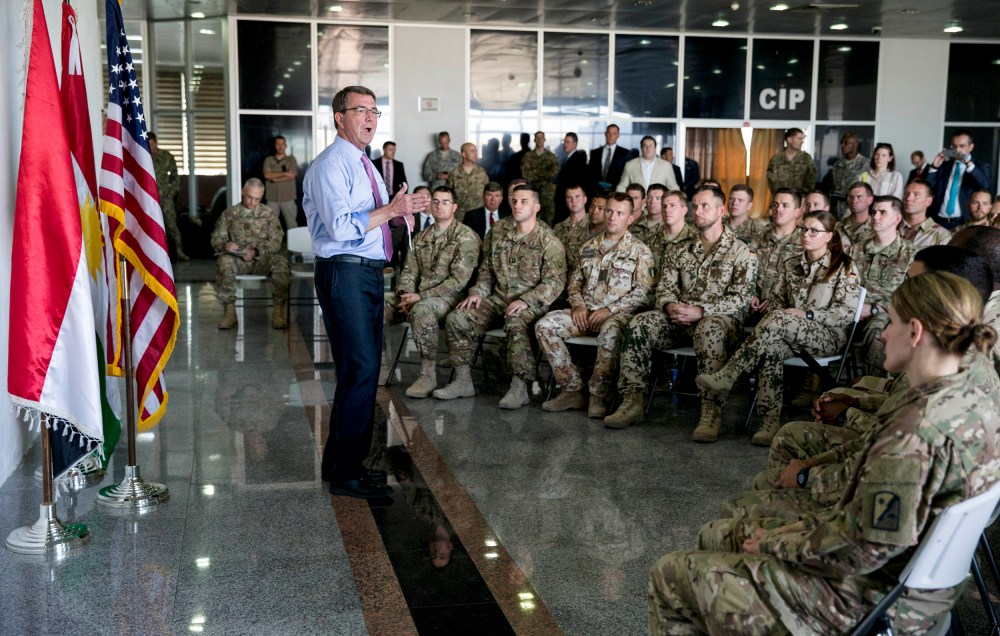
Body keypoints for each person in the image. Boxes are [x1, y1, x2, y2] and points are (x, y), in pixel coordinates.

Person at [650, 271, 1000, 636]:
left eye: (891, 323)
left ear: (915, 332)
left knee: (670, 575)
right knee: (719, 536)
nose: (881, 333)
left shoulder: (915, 434)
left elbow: (862, 550)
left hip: (873, 599)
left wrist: (776, 542)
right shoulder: (970, 381)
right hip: (912, 581)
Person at [303, 85, 430, 499]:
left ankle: (341, 464)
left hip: (369, 273)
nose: (370, 118)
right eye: (361, 110)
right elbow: (341, 227)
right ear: (339, 117)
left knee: (363, 371)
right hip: (345, 272)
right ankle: (346, 475)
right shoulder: (330, 166)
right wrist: (391, 211)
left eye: (375, 110)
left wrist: (403, 211)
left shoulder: (366, 164)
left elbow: (378, 219)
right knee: (359, 371)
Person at [604, 185, 757, 441]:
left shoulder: (742, 251)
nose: (697, 211)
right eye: (695, 206)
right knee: (641, 322)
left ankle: (711, 412)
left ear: (721, 210)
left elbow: (741, 299)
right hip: (679, 320)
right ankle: (632, 401)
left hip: (719, 324)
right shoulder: (680, 248)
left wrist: (701, 310)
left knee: (710, 329)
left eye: (704, 206)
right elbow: (664, 288)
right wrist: (668, 306)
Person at [696, 211, 861, 446]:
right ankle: (769, 421)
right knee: (771, 348)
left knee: (779, 320)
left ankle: (729, 374)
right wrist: (780, 312)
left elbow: (846, 312)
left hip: (826, 336)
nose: (806, 235)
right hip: (786, 332)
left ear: (829, 236)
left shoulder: (844, 266)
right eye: (804, 229)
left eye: (814, 231)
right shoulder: (791, 263)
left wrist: (808, 314)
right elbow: (775, 302)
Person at [433, 184, 567, 409]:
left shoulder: (548, 240)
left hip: (530, 303)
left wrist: (526, 300)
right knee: (458, 318)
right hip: (497, 299)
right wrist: (478, 293)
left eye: (524, 201)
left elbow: (555, 282)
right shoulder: (498, 231)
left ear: (536, 207)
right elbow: (486, 271)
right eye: (514, 200)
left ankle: (519, 386)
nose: (517, 205)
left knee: (517, 322)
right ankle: (463, 381)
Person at [536, 193, 654, 417]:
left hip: (616, 316)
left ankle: (598, 396)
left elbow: (645, 292)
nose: (612, 217)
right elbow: (575, 283)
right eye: (609, 211)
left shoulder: (640, 251)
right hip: (584, 313)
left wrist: (610, 310)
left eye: (620, 213)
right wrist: (579, 305)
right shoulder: (588, 247)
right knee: (545, 326)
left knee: (610, 334)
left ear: (630, 219)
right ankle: (572, 390)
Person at [383, 186, 480, 398]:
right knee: (377, 304)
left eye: (445, 202)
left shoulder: (465, 237)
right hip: (417, 296)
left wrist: (420, 297)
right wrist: (406, 294)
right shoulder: (421, 237)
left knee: (422, 309)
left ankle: (427, 375)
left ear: (454, 207)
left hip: (450, 298)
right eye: (435, 201)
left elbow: (458, 281)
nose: (439, 206)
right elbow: (409, 270)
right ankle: (379, 367)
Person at [849, 195, 917, 376]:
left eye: (882, 212)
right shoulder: (855, 248)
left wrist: (873, 309)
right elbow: (841, 282)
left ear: (897, 218)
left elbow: (911, 293)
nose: (875, 216)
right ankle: (812, 383)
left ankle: (871, 389)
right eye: (874, 212)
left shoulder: (910, 253)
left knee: (877, 331)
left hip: (885, 313)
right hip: (849, 308)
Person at [211, 178, 291, 330]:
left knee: (281, 263)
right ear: (243, 191)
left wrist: (256, 252)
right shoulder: (230, 214)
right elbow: (216, 239)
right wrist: (225, 245)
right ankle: (229, 312)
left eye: (257, 199)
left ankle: (278, 312)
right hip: (238, 260)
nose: (252, 202)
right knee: (224, 262)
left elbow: (277, 240)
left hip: (261, 259)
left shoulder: (267, 213)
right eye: (249, 197)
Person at [749, 188, 804, 322]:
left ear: (796, 212)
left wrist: (775, 300)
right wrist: (751, 294)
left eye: (785, 206)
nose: (779, 209)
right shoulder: (757, 238)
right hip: (750, 307)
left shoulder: (804, 241)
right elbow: (745, 270)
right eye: (775, 205)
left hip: (784, 312)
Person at [928, 129, 993, 229]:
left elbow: (984, 185)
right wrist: (934, 167)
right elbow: (928, 188)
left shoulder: (980, 166)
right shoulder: (944, 165)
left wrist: (969, 165)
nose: (957, 150)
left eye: (962, 146)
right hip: (938, 221)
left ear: (971, 147)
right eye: (954, 146)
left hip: (963, 221)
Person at [149, 131, 188, 261]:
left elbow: (175, 177)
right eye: (148, 145)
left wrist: (171, 193)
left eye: (152, 145)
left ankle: (178, 250)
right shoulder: (144, 157)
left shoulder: (166, 157)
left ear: (156, 143)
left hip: (165, 198)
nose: (151, 148)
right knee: (151, 225)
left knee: (171, 225)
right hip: (149, 199)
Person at [520, 131, 559, 226]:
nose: (539, 140)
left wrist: (536, 173)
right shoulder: (528, 156)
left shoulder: (551, 156)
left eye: (541, 137)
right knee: (530, 217)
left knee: (548, 219)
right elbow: (525, 174)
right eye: (537, 138)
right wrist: (544, 174)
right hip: (532, 192)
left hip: (547, 193)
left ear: (545, 139)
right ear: (534, 140)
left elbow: (554, 173)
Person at [900, 179, 952, 247]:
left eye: (916, 195)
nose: (908, 198)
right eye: (906, 194)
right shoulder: (890, 226)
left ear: (928, 201)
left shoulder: (941, 235)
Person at [262, 135, 300, 229]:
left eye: (282, 144)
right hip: (272, 198)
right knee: (271, 226)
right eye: (278, 144)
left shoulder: (291, 159)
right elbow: (267, 175)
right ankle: (276, 244)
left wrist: (274, 178)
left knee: (292, 225)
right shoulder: (269, 160)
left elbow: (292, 175)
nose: (280, 146)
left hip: (288, 197)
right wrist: (286, 173)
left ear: (286, 146)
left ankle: (293, 244)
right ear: (274, 146)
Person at [445, 142, 489, 221]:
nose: (475, 154)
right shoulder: (454, 173)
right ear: (464, 154)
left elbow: (488, 193)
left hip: (478, 216)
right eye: (472, 151)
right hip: (460, 216)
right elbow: (447, 195)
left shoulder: (481, 172)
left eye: (476, 151)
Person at [552, 185, 592, 272]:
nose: (574, 201)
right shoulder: (558, 228)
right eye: (569, 198)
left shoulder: (593, 225)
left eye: (577, 197)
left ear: (585, 199)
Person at [766, 127, 817, 195]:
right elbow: (771, 178)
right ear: (789, 140)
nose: (802, 141)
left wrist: (805, 195)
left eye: (802, 139)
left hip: (801, 198)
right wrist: (779, 194)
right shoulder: (777, 158)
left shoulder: (806, 158)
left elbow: (811, 178)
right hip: (781, 197)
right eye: (799, 139)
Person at [554, 132, 590, 224]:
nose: (565, 144)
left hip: (568, 200)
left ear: (575, 144)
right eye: (564, 142)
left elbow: (574, 182)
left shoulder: (577, 159)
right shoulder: (568, 158)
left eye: (568, 142)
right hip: (563, 199)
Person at [830, 132, 869, 216]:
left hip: (855, 210)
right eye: (841, 143)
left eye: (846, 143)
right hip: (837, 210)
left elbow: (867, 189)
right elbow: (833, 188)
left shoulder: (865, 164)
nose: (842, 146)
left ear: (855, 145)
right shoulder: (838, 164)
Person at [590, 123, 630, 192]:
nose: (611, 136)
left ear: (618, 135)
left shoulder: (625, 153)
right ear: (605, 134)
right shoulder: (595, 153)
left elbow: (626, 174)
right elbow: (590, 173)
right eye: (609, 133)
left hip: (615, 192)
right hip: (596, 192)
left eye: (614, 133)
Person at [834, 181, 874, 249]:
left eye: (859, 197)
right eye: (851, 197)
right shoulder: (836, 227)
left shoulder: (877, 228)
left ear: (870, 200)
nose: (854, 201)